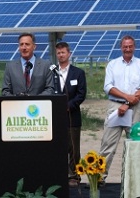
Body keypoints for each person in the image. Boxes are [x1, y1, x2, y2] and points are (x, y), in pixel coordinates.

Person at [98, 35, 140, 187]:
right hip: (115, 106)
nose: (128, 49)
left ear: (134, 47)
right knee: (108, 143)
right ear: (121, 47)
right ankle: (99, 177)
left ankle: (135, 179)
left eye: (130, 46)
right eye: (125, 46)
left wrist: (127, 103)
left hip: (135, 108)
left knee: (135, 144)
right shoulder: (113, 65)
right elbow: (108, 87)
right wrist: (126, 97)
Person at [54, 42, 87, 188]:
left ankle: (74, 175)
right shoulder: (52, 72)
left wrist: (68, 106)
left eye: (63, 52)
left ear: (69, 54)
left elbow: (81, 94)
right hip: (55, 117)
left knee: (73, 148)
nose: (61, 55)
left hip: (72, 116)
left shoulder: (78, 73)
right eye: (58, 53)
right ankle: (59, 174)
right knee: (58, 146)